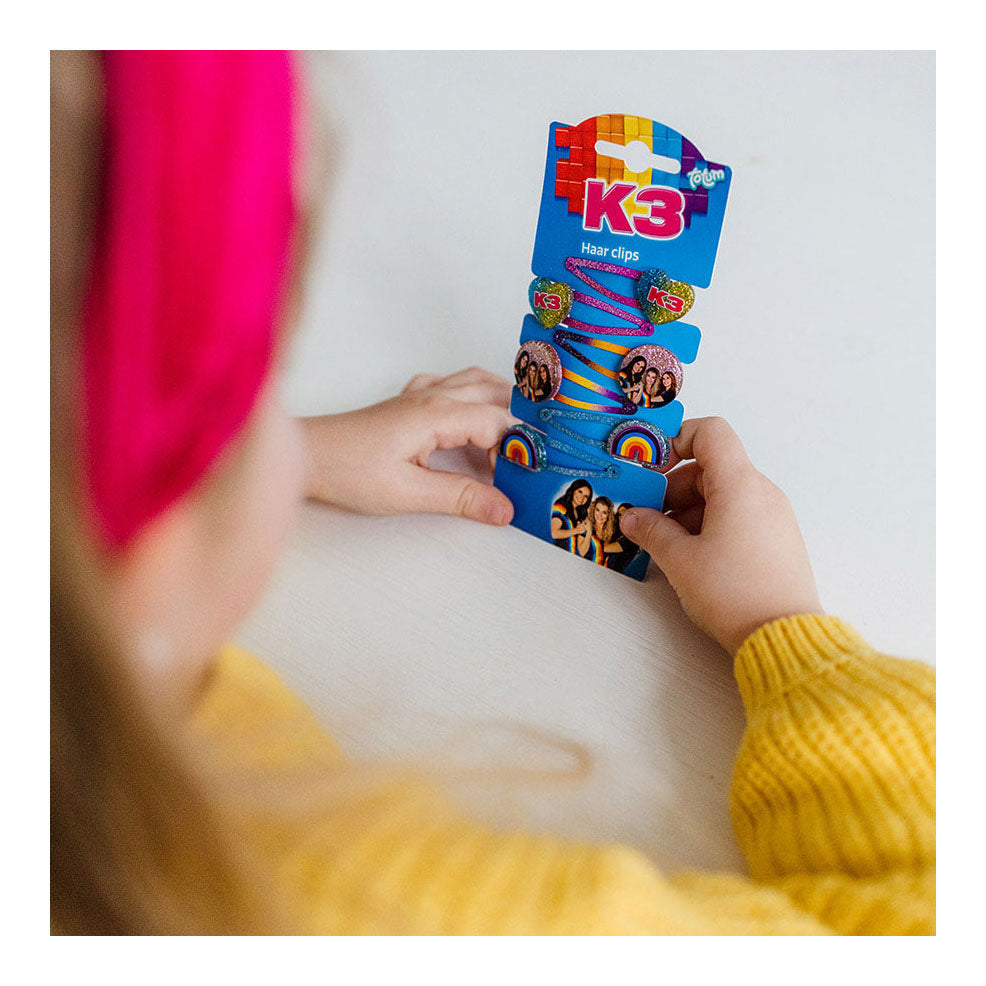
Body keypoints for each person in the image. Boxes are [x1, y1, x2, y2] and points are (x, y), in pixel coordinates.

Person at [51, 51, 934, 935]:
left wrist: (228, 467)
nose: (284, 425)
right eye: (253, 405)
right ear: (161, 538)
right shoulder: (412, 913)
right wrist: (784, 630)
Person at [550, 480, 592, 553]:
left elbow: (582, 551)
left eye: (586, 496)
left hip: (571, 556)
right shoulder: (561, 506)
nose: (582, 497)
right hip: (558, 553)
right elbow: (554, 533)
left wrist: (588, 532)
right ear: (573, 490)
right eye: (580, 492)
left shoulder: (581, 513)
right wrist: (577, 530)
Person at [577, 496, 620, 566]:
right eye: (597, 510)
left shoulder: (611, 533)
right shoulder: (585, 526)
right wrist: (589, 532)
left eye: (604, 513)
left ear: (608, 515)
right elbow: (581, 552)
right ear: (593, 510)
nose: (600, 515)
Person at [607, 503, 641, 574]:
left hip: (615, 575)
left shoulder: (631, 539)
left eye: (624, 513)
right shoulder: (620, 533)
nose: (622, 517)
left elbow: (605, 548)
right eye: (619, 514)